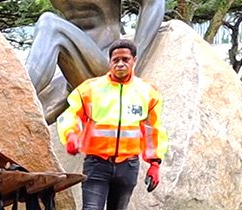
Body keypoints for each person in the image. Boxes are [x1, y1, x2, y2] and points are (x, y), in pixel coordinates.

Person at [57, 38, 167, 210]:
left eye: (125, 59)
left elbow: (153, 129)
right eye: (115, 59)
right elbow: (70, 114)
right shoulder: (90, 89)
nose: (119, 63)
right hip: (97, 163)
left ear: (133, 61)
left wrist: (154, 163)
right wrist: (71, 136)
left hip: (128, 165)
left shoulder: (147, 92)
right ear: (110, 61)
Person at [25, 0, 165, 122]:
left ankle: (18, 94)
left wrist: (134, 62)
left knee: (50, 24)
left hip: (105, 62)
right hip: (74, 68)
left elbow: (154, 2)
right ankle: (16, 98)